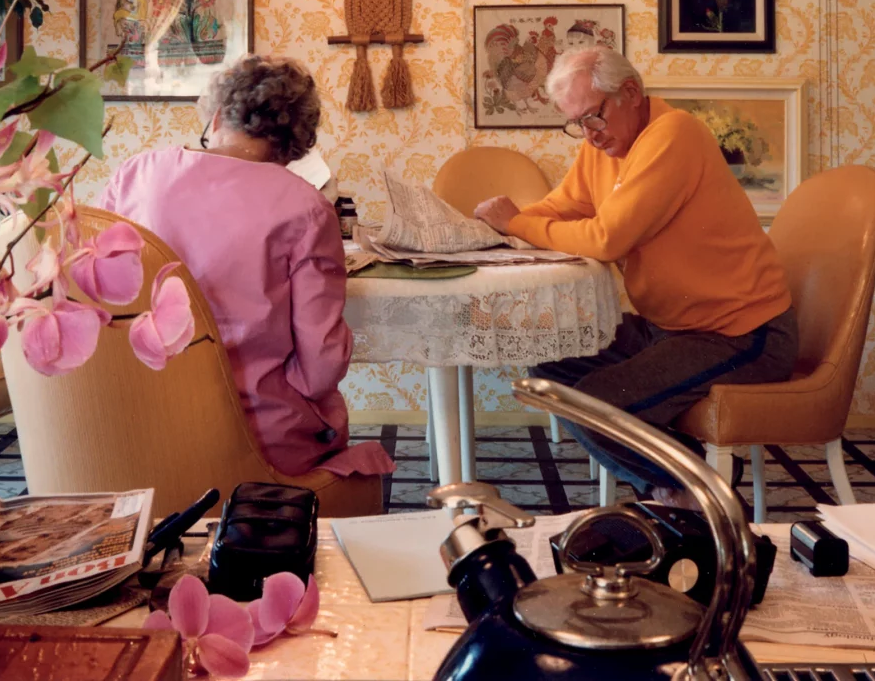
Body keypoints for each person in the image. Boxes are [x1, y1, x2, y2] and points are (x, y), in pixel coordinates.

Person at [473, 46, 796, 502]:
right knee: (550, 362)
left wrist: (516, 224)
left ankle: (692, 493)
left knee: (595, 405)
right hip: (672, 329)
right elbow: (564, 207)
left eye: (593, 117)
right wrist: (490, 227)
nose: (588, 135)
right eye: (576, 124)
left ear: (630, 91)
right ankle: (695, 475)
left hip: (741, 333)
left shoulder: (674, 134)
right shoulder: (605, 147)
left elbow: (608, 239)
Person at [98, 55, 394, 481]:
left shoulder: (135, 174)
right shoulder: (306, 208)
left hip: (135, 420)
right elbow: (320, 367)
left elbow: (99, 295)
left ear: (217, 116)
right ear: (297, 142)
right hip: (254, 437)